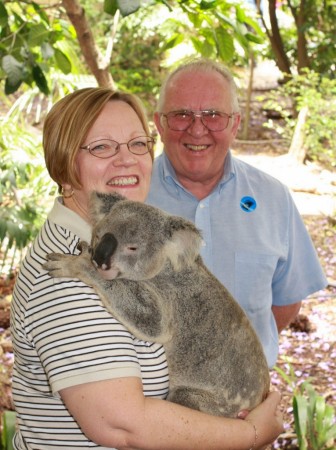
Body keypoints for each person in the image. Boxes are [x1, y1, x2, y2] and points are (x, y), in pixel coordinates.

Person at [11, 87, 283, 449]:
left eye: (137, 144)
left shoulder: (113, 233)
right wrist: (251, 435)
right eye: (102, 147)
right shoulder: (69, 276)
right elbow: (123, 427)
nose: (126, 159)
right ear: (64, 162)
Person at [147, 58, 328, 368]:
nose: (197, 128)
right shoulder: (130, 199)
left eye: (213, 115)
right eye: (181, 115)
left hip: (243, 402)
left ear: (235, 124)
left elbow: (285, 302)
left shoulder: (273, 198)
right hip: (149, 404)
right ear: (160, 124)